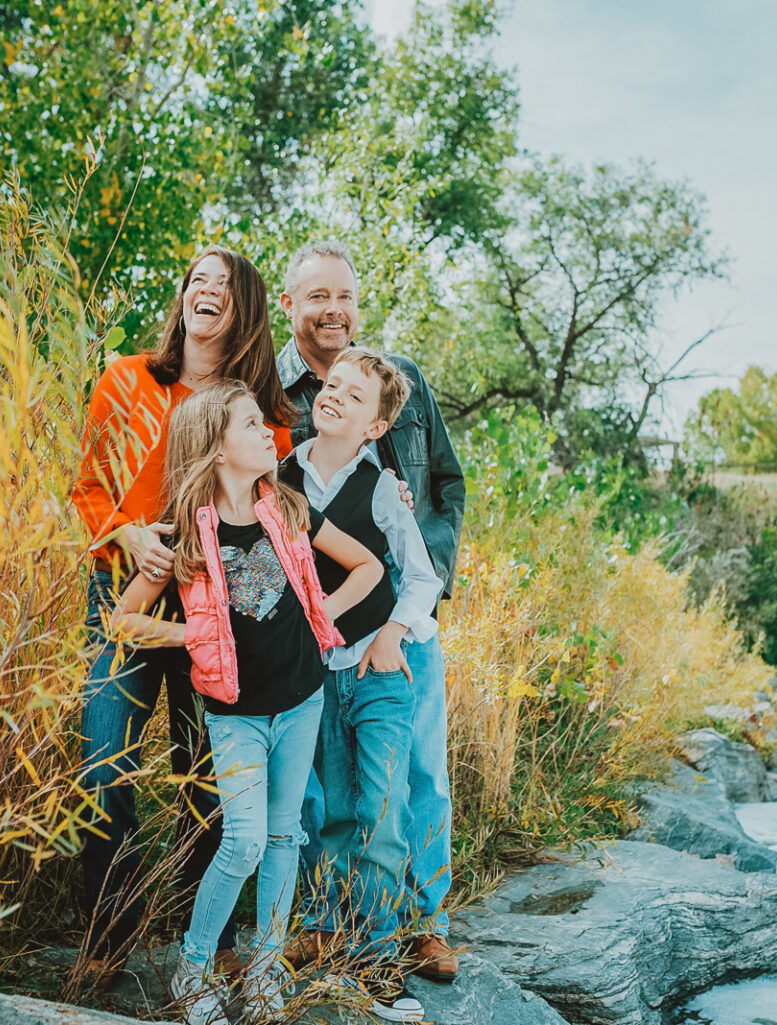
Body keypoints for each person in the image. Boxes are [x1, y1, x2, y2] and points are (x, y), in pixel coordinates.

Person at [110, 381, 382, 1025]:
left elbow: (368, 567)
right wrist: (191, 633)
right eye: (252, 425)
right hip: (235, 715)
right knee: (245, 842)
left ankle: (264, 970)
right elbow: (123, 621)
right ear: (216, 446)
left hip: (301, 701)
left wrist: (324, 613)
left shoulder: (287, 509)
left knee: (286, 834)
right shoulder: (180, 534)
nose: (269, 434)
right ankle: (196, 964)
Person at [70, 246, 295, 980]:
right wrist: (126, 532)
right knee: (104, 760)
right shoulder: (125, 380)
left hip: (216, 602)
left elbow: (273, 516)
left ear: (247, 309)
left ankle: (212, 937)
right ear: (183, 297)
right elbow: (87, 491)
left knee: (210, 775)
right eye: (197, 279)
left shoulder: (265, 418)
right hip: (127, 587)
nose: (207, 290)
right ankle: (109, 934)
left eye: (225, 285)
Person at [274, 241, 466, 981]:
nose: (334, 310)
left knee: (418, 775)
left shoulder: (401, 382)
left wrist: (418, 581)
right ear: (289, 305)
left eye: (344, 296)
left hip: (402, 623)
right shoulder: (279, 398)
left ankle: (422, 922)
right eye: (316, 296)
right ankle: (332, 919)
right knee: (329, 784)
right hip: (321, 635)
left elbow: (446, 484)